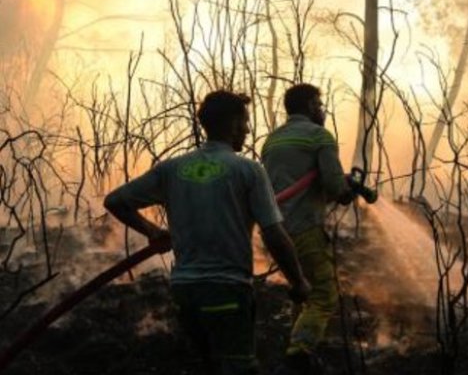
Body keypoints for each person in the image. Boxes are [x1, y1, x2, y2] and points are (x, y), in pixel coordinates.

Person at [104, 90, 311, 375]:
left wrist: (152, 231)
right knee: (239, 367)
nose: (248, 130)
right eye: (246, 122)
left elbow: (115, 201)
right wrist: (298, 281)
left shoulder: (172, 169)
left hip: (184, 293)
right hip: (227, 289)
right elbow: (273, 234)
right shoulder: (248, 170)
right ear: (234, 124)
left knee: (210, 365)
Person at [261, 84, 354, 374]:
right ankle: (299, 353)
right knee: (324, 294)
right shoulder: (318, 136)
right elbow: (335, 187)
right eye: (320, 104)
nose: (322, 110)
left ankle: (296, 342)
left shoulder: (272, 140)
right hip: (305, 229)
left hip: (275, 232)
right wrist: (345, 190)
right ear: (312, 106)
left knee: (301, 289)